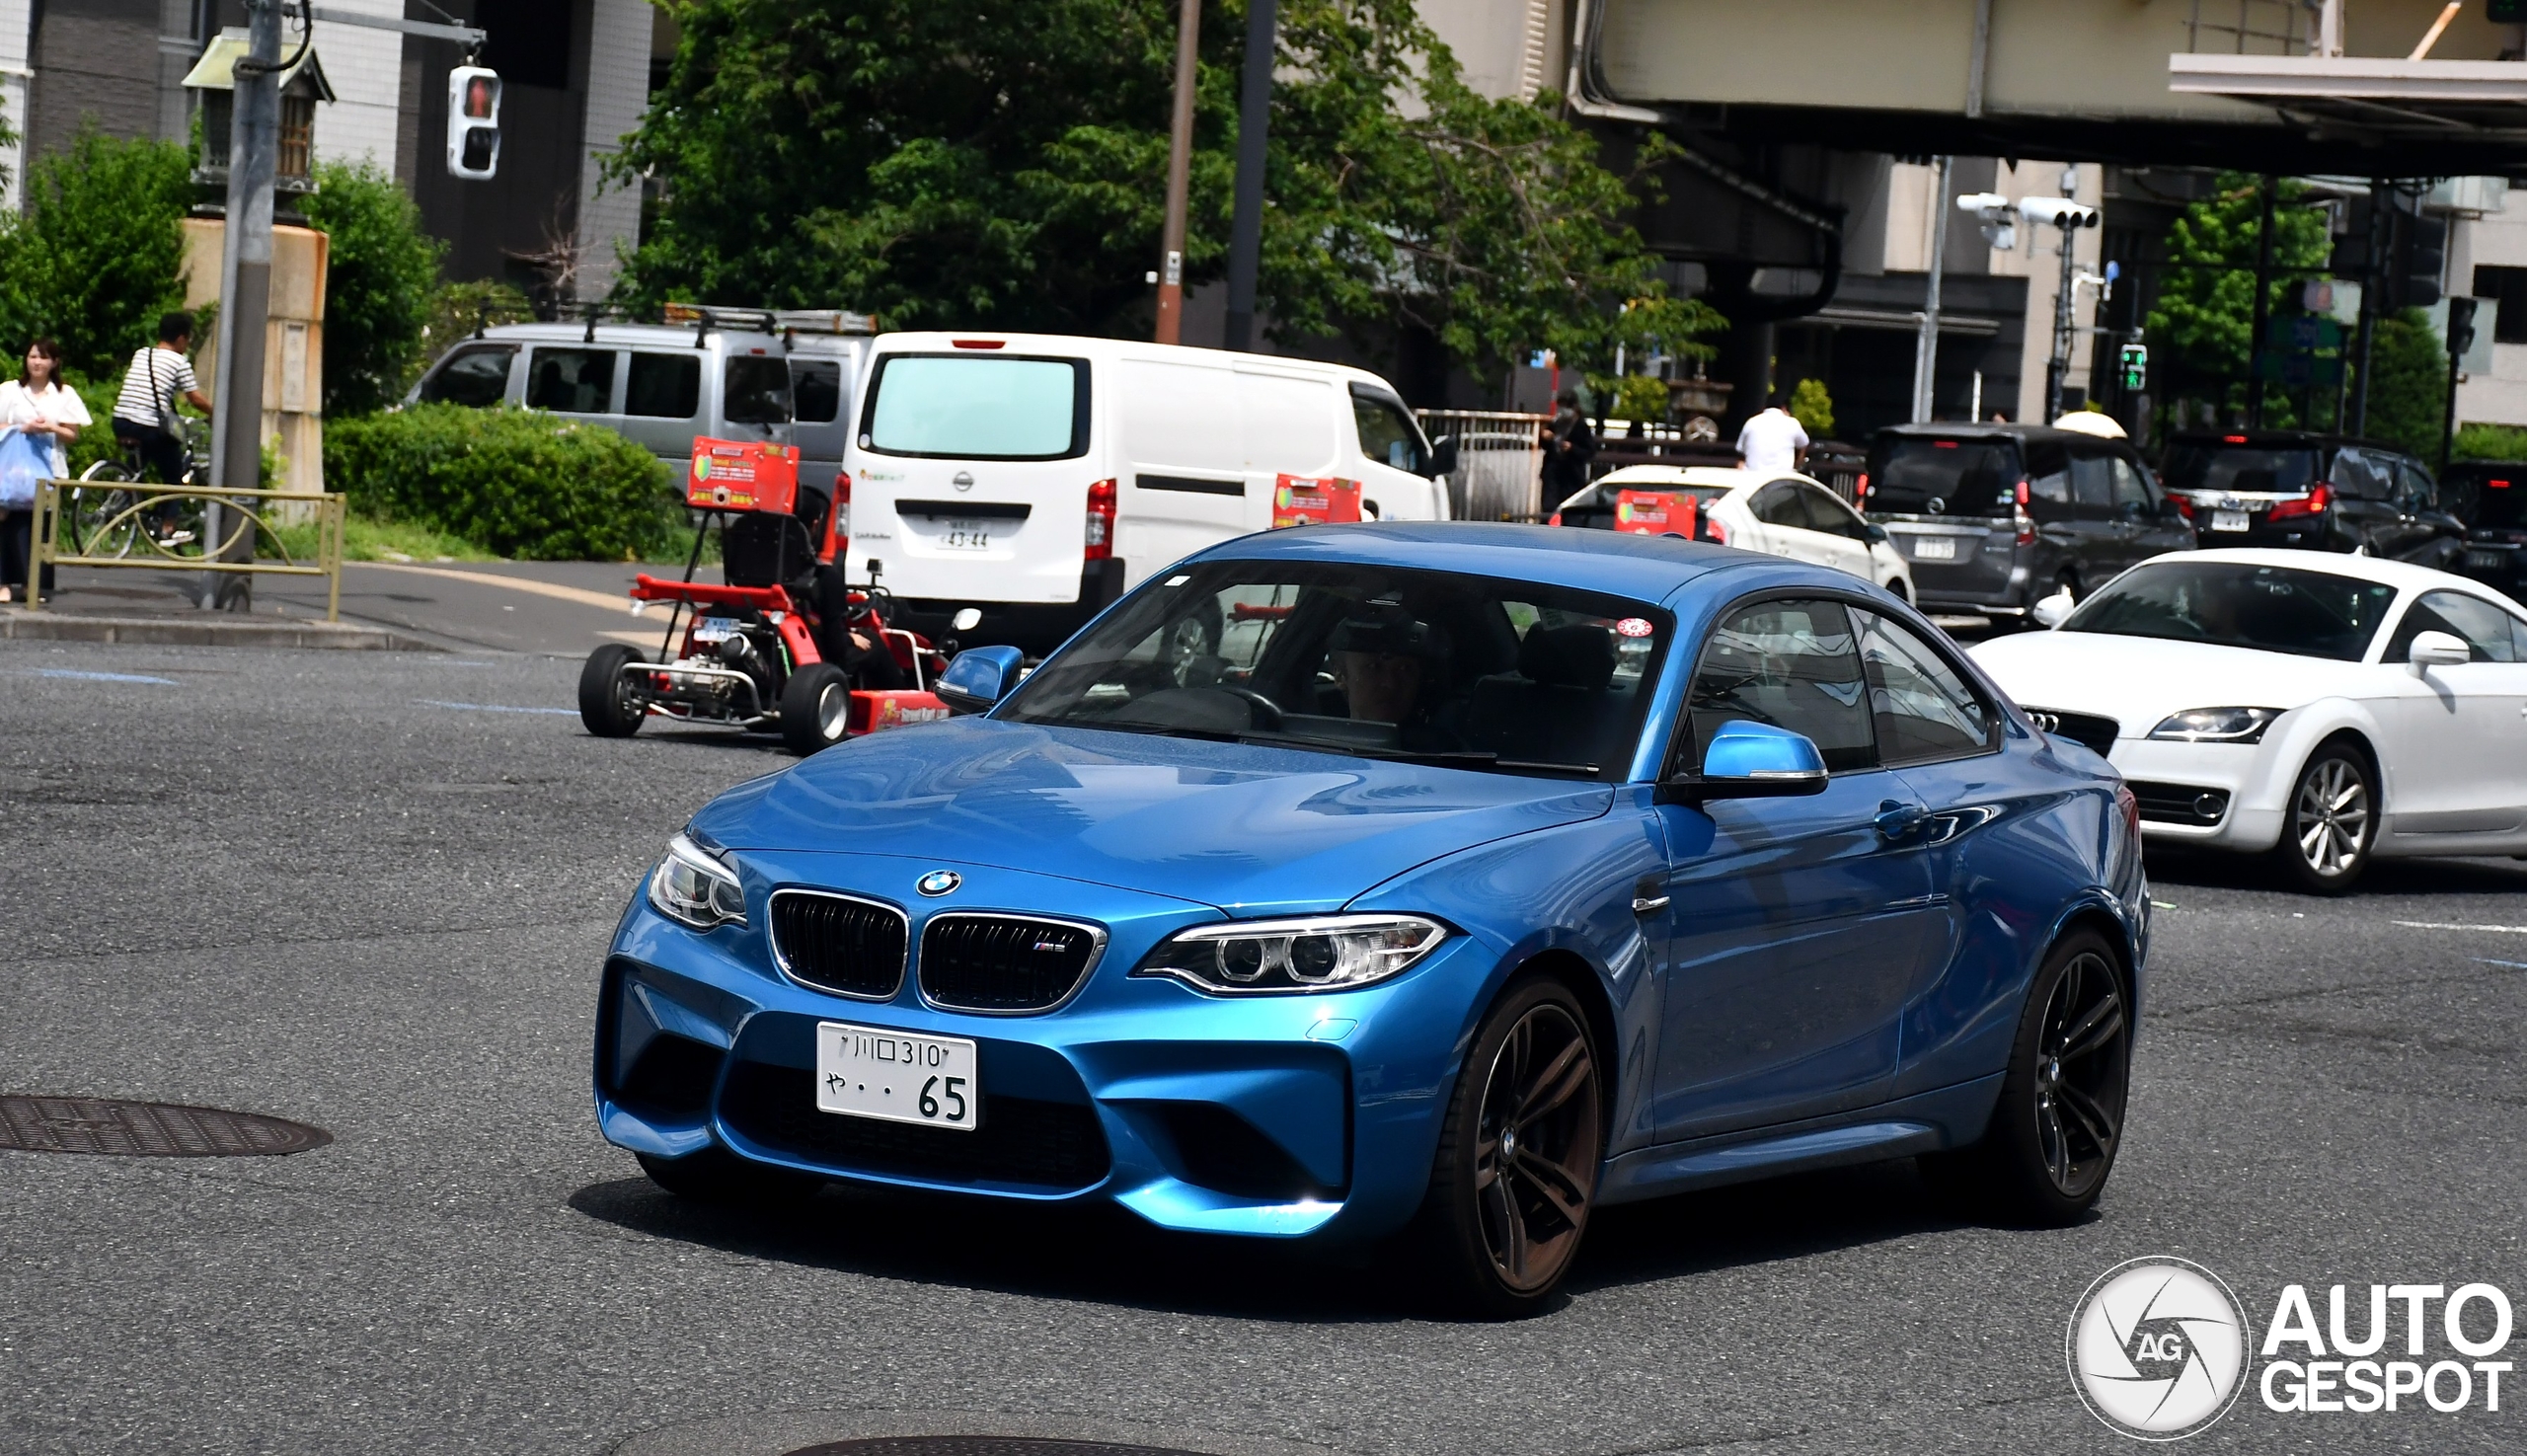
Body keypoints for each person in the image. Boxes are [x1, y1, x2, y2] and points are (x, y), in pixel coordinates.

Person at [0, 339, 89, 602]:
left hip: (49, 468)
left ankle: (33, 584)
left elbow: (72, 433)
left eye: (43, 357)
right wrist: (22, 428)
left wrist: (50, 427)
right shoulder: (9, 390)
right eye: (32, 356)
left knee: (40, 527)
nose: (37, 362)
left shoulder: (64, 394)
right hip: (11, 469)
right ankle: (3, 582)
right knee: (6, 522)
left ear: (54, 362)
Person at [112, 311, 211, 490]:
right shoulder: (180, 362)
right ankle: (167, 518)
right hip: (146, 426)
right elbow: (195, 399)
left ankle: (126, 498)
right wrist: (216, 413)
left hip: (120, 421)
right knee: (174, 480)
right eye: (188, 340)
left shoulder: (142, 353)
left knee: (136, 469)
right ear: (181, 339)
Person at [1541, 389, 1596, 501]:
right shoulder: (1556, 422)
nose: (1562, 410)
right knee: (1549, 505)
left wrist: (1572, 448)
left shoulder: (1581, 426)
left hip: (1572, 474)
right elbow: (1545, 445)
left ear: (1574, 407)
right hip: (1553, 471)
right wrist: (1544, 437)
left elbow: (1589, 451)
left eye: (1565, 406)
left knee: (1568, 506)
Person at [1735, 394, 1809, 475]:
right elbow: (1804, 443)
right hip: (1781, 478)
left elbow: (1740, 451)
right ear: (1784, 408)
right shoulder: (1792, 423)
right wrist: (1797, 465)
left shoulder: (1751, 422)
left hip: (1752, 477)